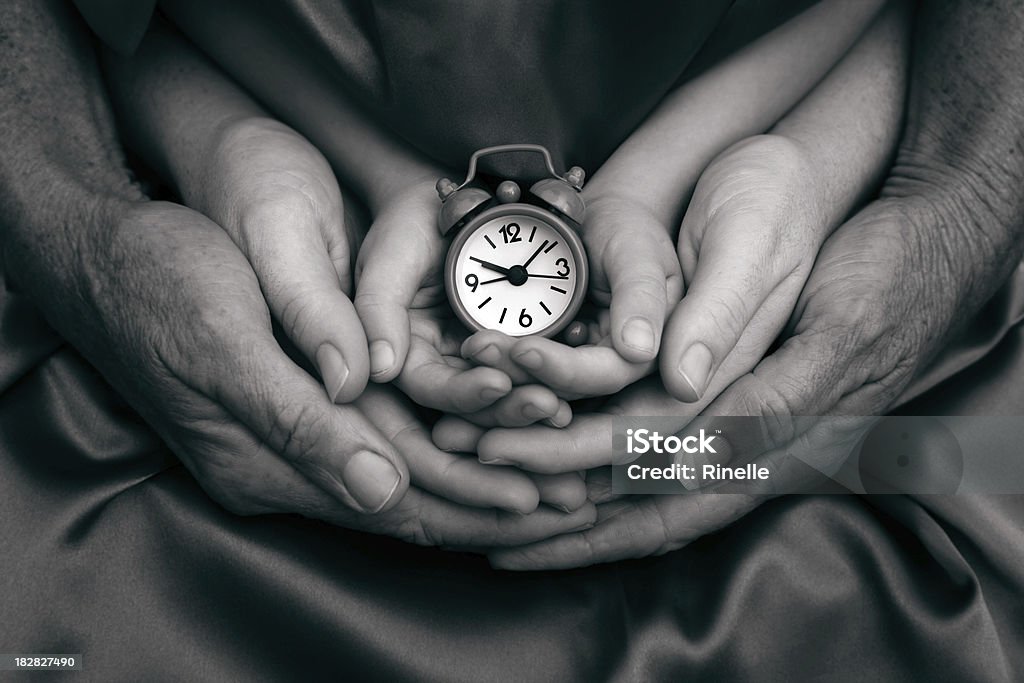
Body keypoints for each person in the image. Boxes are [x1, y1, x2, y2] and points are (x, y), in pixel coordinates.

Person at [3, 0, 1024, 679]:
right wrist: (193, 158)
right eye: (504, 275)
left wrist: (846, 176)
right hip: (203, 306)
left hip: (856, 311)